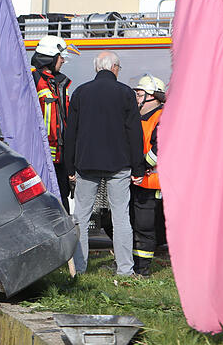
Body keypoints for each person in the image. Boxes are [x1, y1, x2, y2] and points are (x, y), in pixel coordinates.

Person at [63, 50, 144, 276]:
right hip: (119, 164)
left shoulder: (81, 92)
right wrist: (138, 167)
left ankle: (78, 268)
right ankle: (125, 269)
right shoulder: (125, 93)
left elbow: (71, 133)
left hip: (86, 164)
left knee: (81, 217)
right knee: (121, 217)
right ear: (115, 68)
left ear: (97, 68)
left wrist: (70, 167)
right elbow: (134, 133)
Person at [31, 35, 79, 212]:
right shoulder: (33, 81)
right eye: (61, 57)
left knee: (62, 199)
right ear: (50, 58)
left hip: (60, 157)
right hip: (41, 157)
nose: (63, 60)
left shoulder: (59, 83)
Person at [131, 74, 166, 277]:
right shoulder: (139, 117)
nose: (136, 97)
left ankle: (142, 269)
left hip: (152, 181)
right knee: (135, 223)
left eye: (140, 94)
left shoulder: (162, 117)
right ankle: (134, 264)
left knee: (145, 226)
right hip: (138, 179)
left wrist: (141, 166)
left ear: (153, 97)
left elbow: (158, 149)